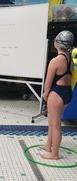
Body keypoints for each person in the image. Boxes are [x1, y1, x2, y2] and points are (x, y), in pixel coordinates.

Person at [40, 30, 74, 160]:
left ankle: (54, 154)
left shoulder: (55, 61)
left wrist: (45, 94)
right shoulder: (69, 59)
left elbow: (47, 84)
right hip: (67, 93)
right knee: (53, 122)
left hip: (57, 94)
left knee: (55, 125)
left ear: (57, 43)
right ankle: (48, 146)